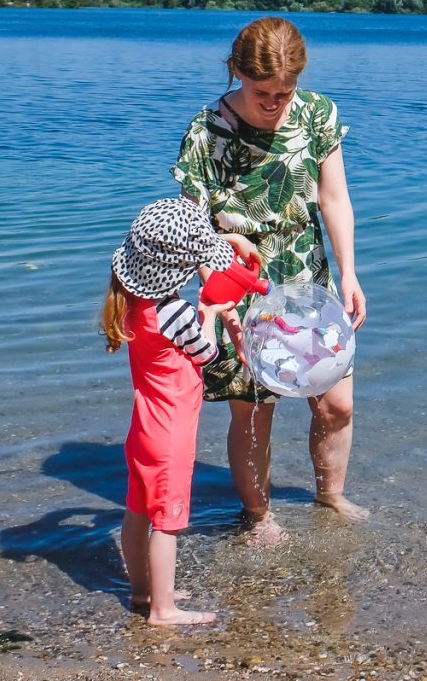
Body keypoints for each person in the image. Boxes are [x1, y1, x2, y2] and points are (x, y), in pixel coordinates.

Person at [172, 17, 367, 542]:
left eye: (285, 91)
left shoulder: (318, 115)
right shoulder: (206, 131)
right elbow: (193, 228)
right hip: (237, 280)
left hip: (309, 274)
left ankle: (330, 493)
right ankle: (259, 518)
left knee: (337, 401)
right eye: (262, 92)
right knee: (255, 412)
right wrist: (217, 292)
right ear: (235, 71)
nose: (274, 103)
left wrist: (349, 273)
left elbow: (334, 198)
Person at [102, 196, 258, 625]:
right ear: (180, 269)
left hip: (142, 426)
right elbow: (206, 353)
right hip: (171, 431)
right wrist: (208, 312)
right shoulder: (176, 311)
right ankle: (164, 609)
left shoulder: (131, 300)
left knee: (137, 510)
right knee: (167, 522)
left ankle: (143, 592)